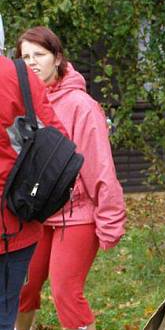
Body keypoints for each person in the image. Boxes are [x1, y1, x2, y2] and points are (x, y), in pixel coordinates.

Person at [14, 26, 127, 330]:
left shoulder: (81, 106)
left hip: (76, 215)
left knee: (65, 292)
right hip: (36, 215)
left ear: (58, 57)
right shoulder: (23, 102)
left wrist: (110, 218)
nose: (32, 62)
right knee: (22, 288)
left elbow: (99, 166)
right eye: (25, 56)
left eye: (40, 54)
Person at [0, 55, 64, 330]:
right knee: (4, 312)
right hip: (16, 220)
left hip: (14, 226)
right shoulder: (18, 75)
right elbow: (56, 139)